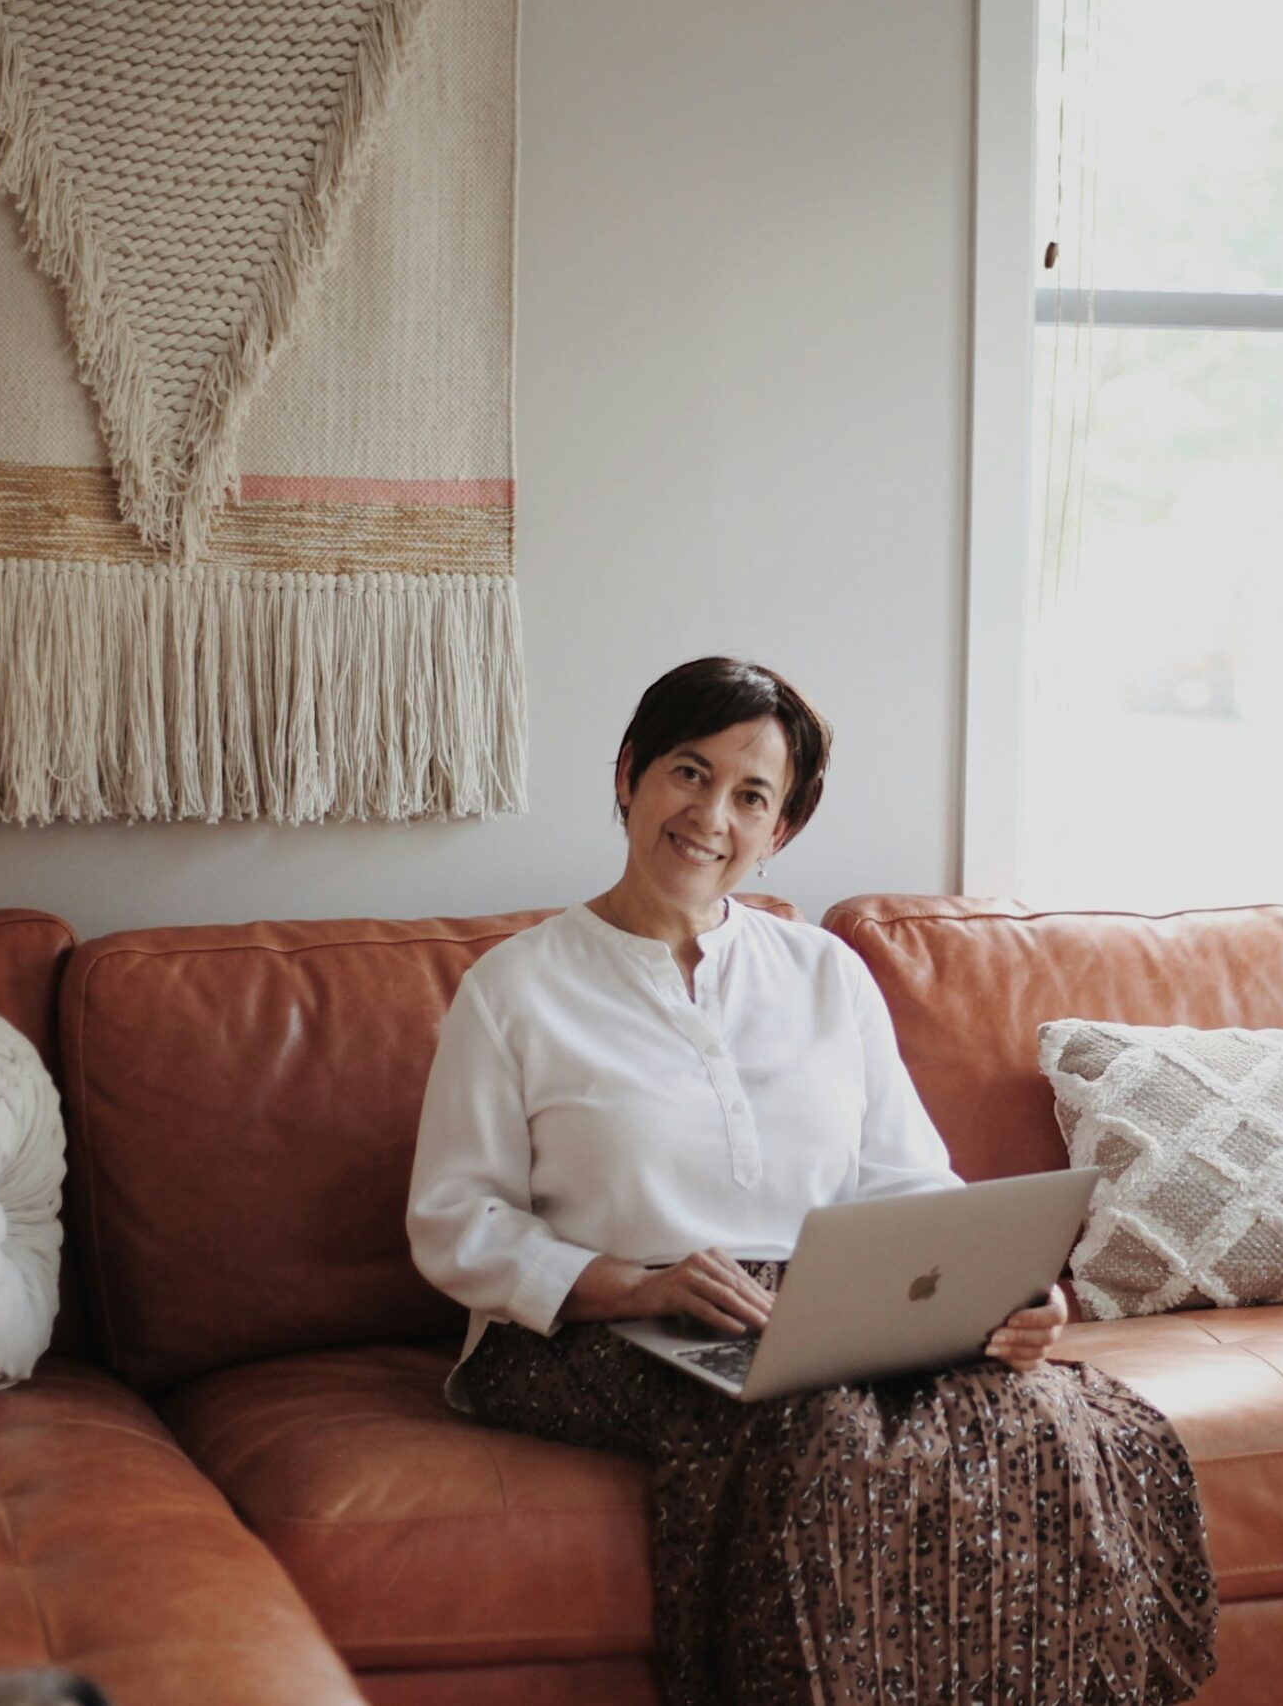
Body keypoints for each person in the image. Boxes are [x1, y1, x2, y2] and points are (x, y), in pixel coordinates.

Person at [407, 656, 1215, 1705]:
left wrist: (997, 1296)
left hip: (820, 1305)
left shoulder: (823, 973)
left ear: (779, 831)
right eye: (688, 774)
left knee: (1060, 1419)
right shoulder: (515, 988)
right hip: (582, 1328)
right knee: (822, 1429)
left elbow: (907, 1181)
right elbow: (454, 1221)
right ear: (627, 778)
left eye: (751, 797)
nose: (710, 815)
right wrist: (633, 1283)